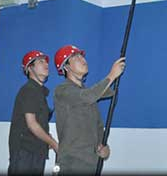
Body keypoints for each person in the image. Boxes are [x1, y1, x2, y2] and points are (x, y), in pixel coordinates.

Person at [54, 44, 126, 175]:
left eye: (82, 56)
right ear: (66, 67)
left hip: (91, 163)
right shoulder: (63, 90)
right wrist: (111, 75)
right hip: (71, 163)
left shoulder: (88, 96)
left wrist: (104, 148)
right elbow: (88, 96)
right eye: (76, 58)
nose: (82, 59)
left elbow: (98, 126)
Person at [8, 50, 58, 175]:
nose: (46, 64)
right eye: (41, 61)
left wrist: (47, 138)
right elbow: (32, 124)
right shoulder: (29, 90)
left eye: (46, 61)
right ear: (29, 68)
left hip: (35, 151)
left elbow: (37, 124)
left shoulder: (39, 92)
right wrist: (53, 144)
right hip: (25, 152)